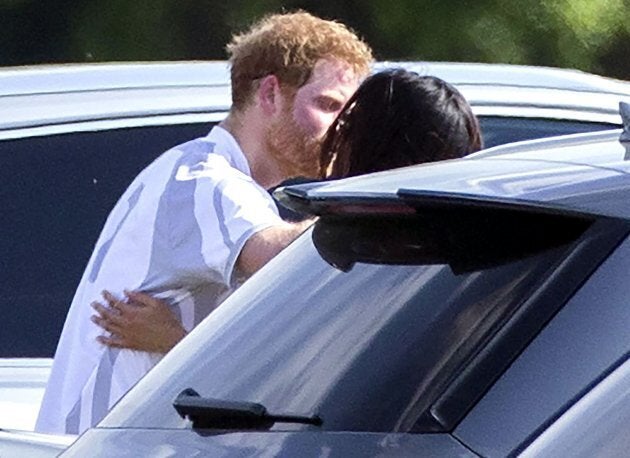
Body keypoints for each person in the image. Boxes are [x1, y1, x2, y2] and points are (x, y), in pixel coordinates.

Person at [35, 11, 373, 435]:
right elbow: (279, 255)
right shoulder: (204, 179)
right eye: (327, 105)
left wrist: (176, 341)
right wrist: (374, 209)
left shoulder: (207, 178)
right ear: (270, 93)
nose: (341, 127)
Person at [90, 68, 483, 352]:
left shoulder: (366, 265)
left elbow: (293, 391)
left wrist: (175, 344)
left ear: (374, 144)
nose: (334, 134)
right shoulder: (477, 252)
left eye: (347, 122)